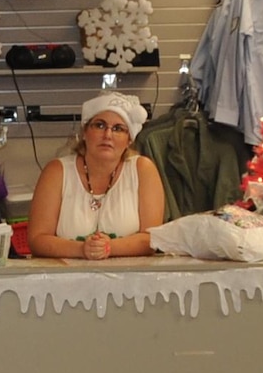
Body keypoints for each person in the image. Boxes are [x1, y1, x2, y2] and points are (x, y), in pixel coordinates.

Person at [27, 91, 166, 259]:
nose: (108, 135)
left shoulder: (143, 170)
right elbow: (37, 240)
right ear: (85, 132)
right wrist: (81, 249)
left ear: (129, 139)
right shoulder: (56, 171)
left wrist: (108, 247)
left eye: (118, 129)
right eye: (100, 125)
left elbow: (152, 239)